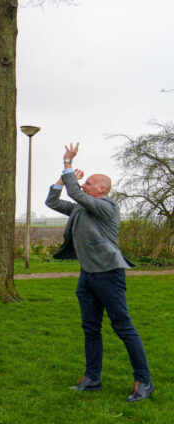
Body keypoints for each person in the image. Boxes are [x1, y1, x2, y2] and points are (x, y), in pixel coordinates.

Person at [45, 142, 153, 402]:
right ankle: (92, 379)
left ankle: (144, 381)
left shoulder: (107, 206)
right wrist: (62, 178)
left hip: (109, 273)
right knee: (90, 328)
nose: (84, 186)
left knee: (123, 327)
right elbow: (52, 201)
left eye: (89, 183)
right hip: (87, 276)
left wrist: (68, 164)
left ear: (102, 189)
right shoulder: (81, 208)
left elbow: (76, 194)